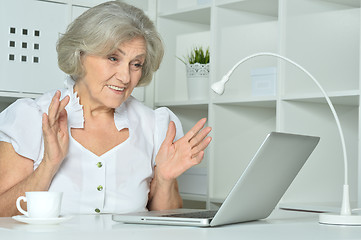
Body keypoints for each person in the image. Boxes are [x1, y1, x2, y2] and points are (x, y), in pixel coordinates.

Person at [0, 1, 212, 217]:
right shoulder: (34, 118)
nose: (125, 77)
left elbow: (168, 222)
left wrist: (165, 180)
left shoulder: (154, 126)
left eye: (136, 64)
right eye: (113, 58)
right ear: (80, 55)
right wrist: (48, 165)